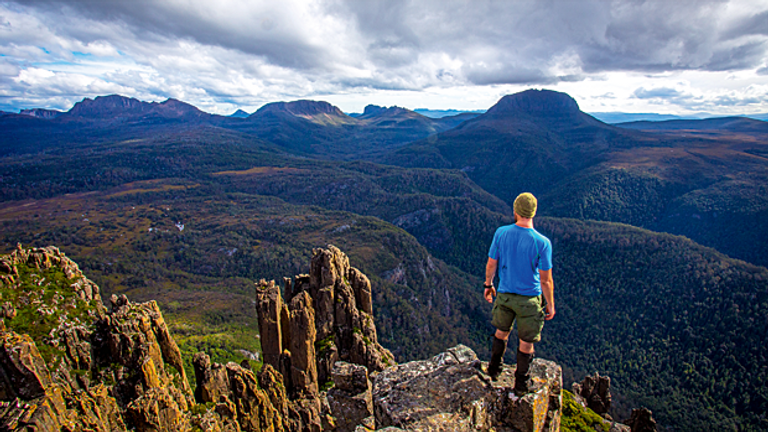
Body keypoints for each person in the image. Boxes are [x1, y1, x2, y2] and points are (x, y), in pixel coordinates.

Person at [484, 192, 555, 394]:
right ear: (533, 213)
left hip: (505, 295)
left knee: (501, 332)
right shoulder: (542, 243)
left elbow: (491, 264)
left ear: (515, 210)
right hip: (530, 300)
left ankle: (493, 369)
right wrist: (550, 304)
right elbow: (546, 280)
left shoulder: (501, 233)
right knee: (526, 342)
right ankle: (521, 384)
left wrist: (488, 285)